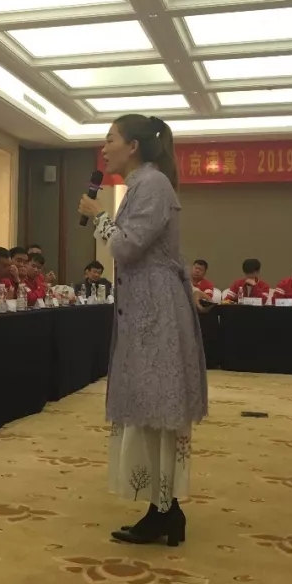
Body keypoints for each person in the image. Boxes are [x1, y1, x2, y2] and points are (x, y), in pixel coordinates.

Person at [78, 114, 207, 546]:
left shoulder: (152, 184)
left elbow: (127, 246)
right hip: (146, 308)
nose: (104, 148)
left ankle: (165, 510)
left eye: (110, 139)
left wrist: (98, 216)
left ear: (133, 146)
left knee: (156, 405)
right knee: (149, 407)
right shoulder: (142, 185)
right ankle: (164, 509)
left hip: (156, 311)